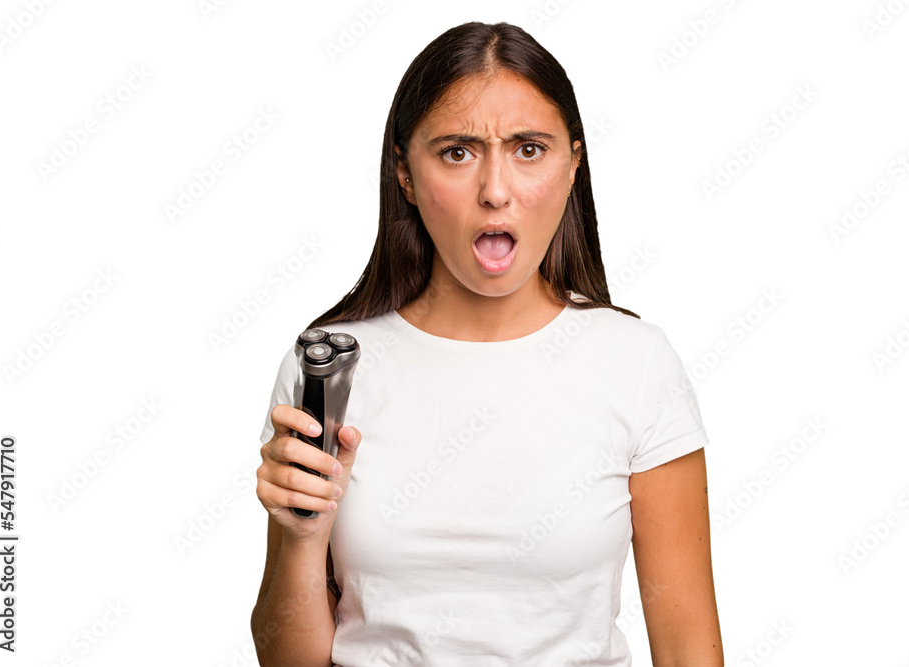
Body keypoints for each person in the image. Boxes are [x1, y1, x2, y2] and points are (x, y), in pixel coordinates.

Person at [250, 20, 723, 667]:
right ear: (405, 175)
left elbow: (690, 651)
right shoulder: (331, 367)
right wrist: (300, 535)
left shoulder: (636, 364)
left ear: (573, 164)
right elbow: (287, 660)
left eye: (529, 149)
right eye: (456, 152)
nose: (495, 190)